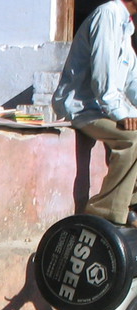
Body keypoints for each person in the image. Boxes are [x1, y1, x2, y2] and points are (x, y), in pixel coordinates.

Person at [53, 0, 137, 226]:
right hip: (83, 107)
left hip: (104, 107)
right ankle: (105, 211)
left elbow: (132, 82)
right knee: (131, 139)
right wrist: (121, 114)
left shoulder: (126, 26)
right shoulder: (108, 15)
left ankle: (131, 204)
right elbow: (103, 81)